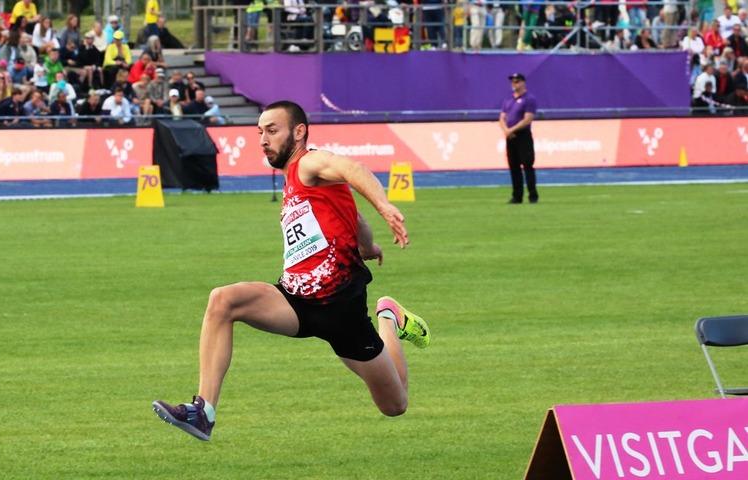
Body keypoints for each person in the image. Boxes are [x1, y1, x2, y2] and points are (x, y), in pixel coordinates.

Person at [151, 100, 431, 441]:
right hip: (295, 302)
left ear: (298, 132)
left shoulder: (310, 163)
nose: (263, 140)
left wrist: (384, 205)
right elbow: (354, 219)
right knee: (223, 300)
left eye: (272, 130)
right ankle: (203, 411)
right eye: (259, 132)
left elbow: (350, 168)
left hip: (342, 313)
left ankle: (389, 317)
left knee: (395, 404)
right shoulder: (295, 187)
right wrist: (368, 248)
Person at [498, 73, 538, 204]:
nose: (514, 84)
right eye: (512, 82)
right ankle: (517, 195)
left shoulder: (529, 99)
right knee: (513, 166)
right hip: (511, 136)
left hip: (522, 135)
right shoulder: (508, 100)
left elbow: (527, 119)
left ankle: (532, 194)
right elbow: (502, 117)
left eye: (516, 82)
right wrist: (506, 130)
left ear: (522, 83)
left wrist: (512, 129)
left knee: (527, 165)